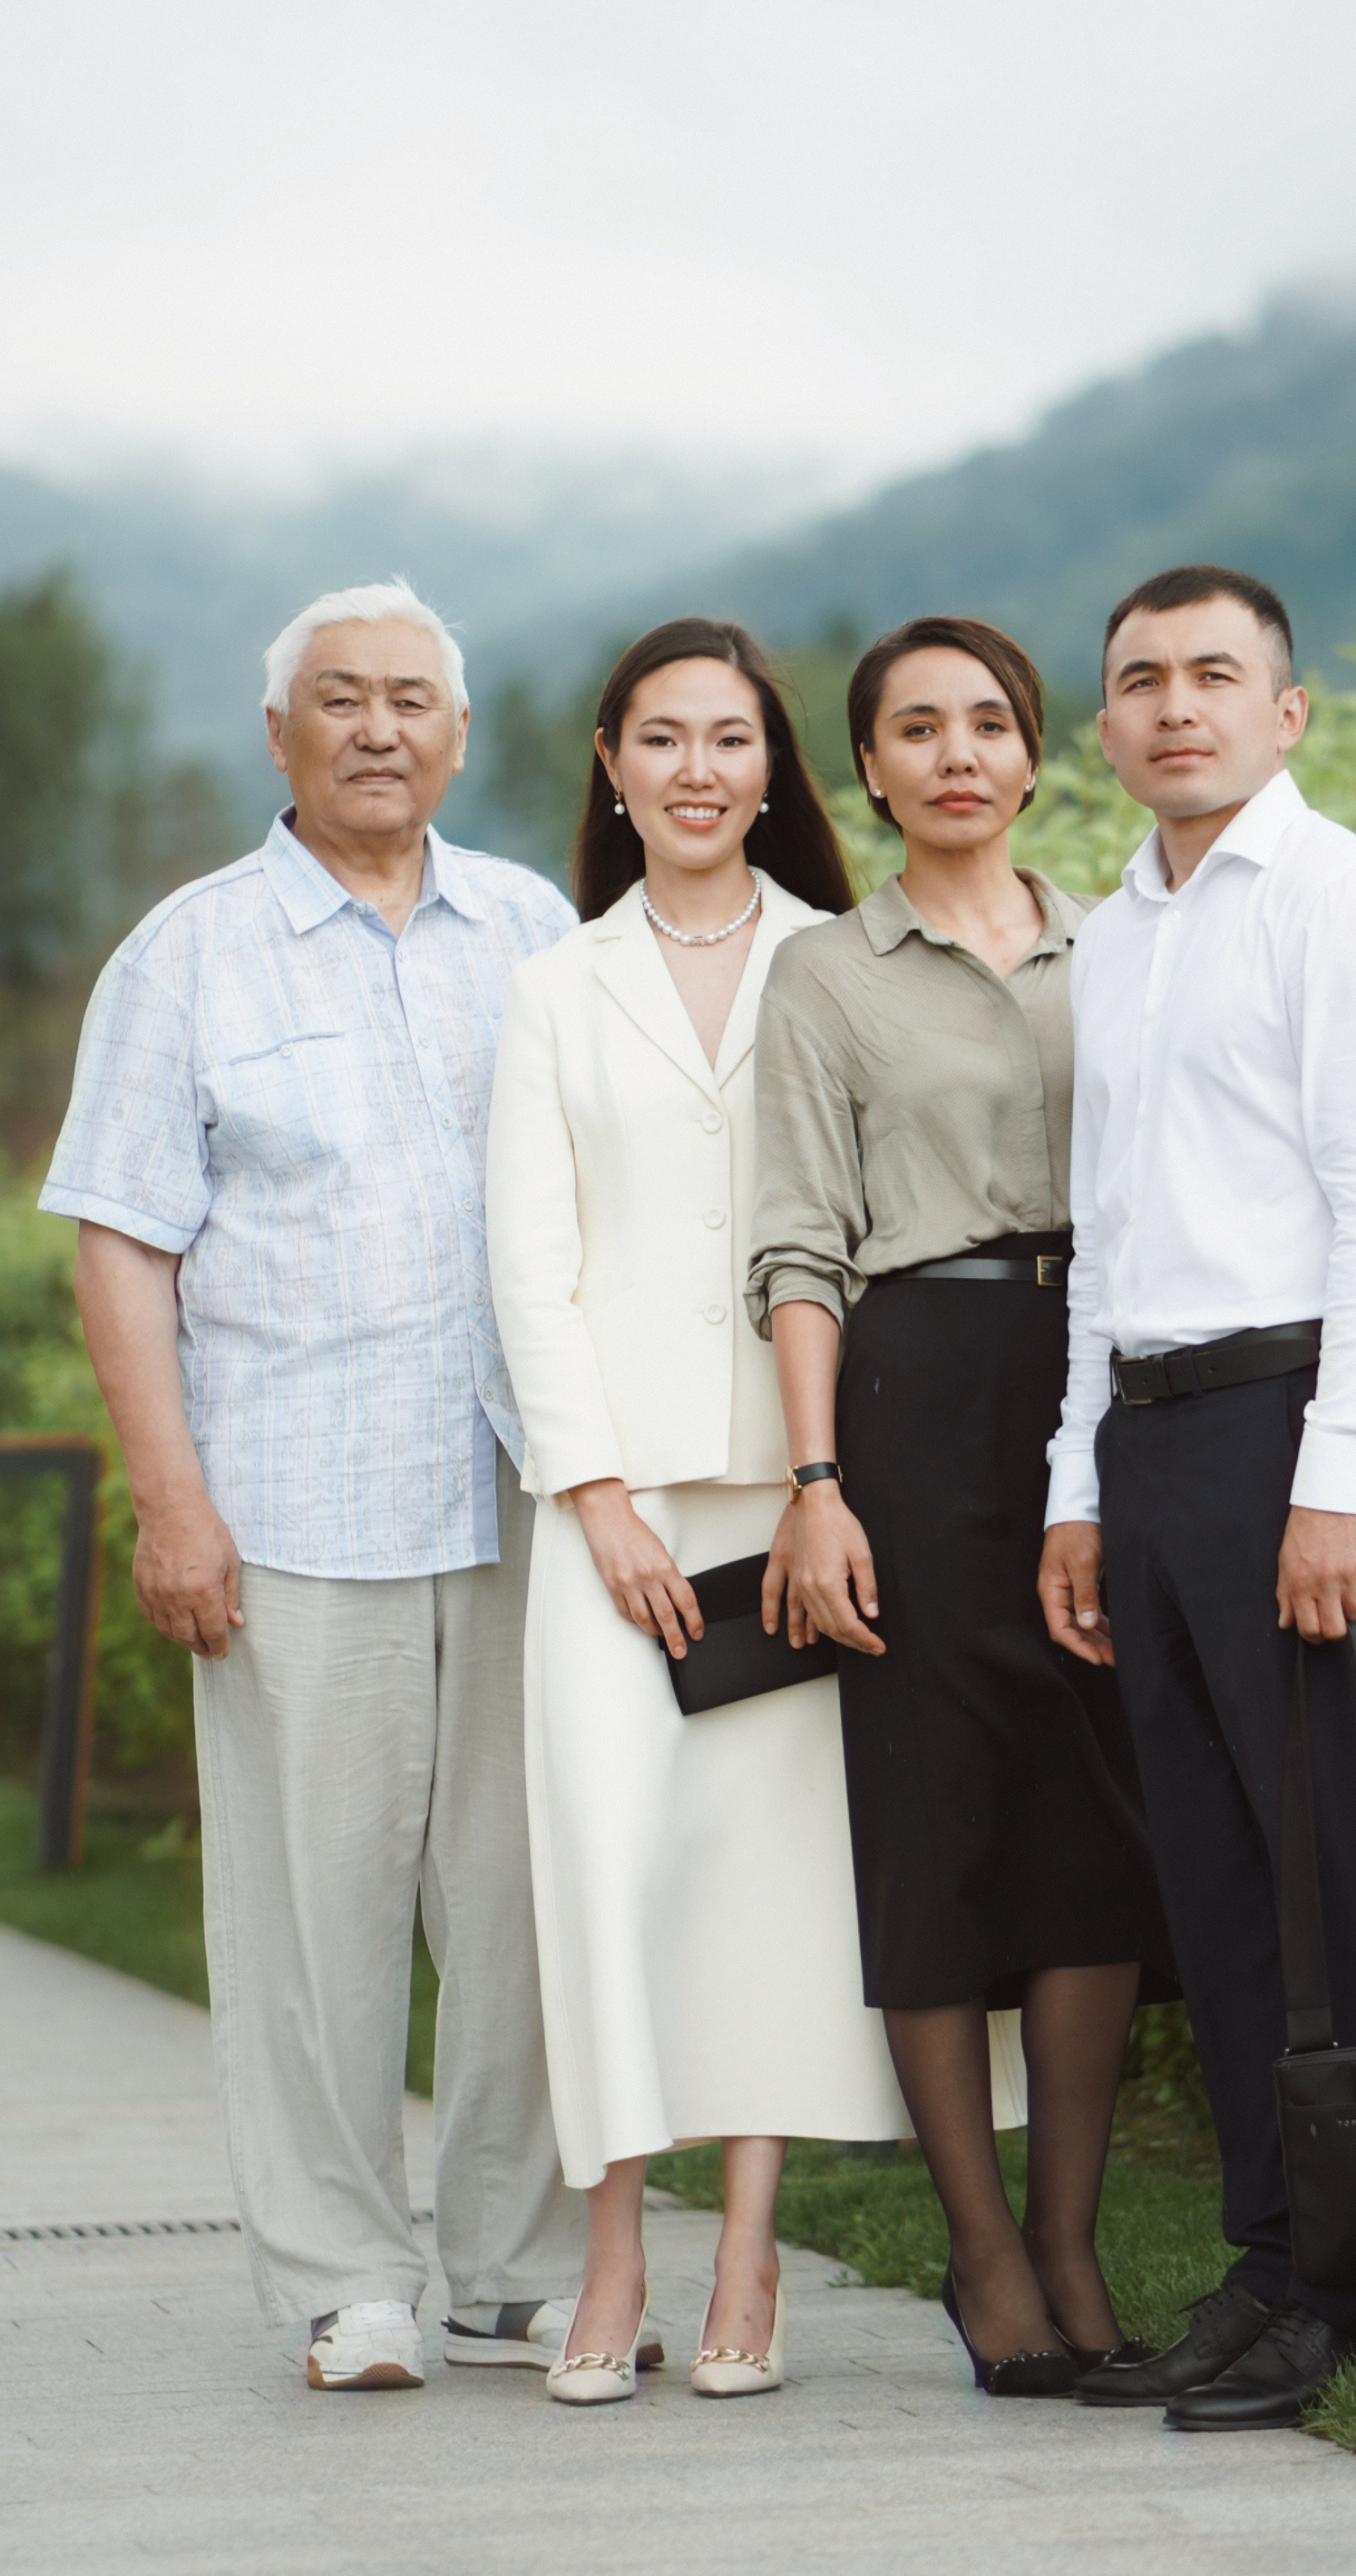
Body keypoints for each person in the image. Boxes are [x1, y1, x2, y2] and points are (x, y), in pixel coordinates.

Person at [39, 582, 581, 2394]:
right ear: (277, 737)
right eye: (336, 700)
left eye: (408, 699)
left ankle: (517, 2262)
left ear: (459, 731)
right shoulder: (187, 956)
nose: (374, 729)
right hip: (290, 1504)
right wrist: (168, 1502)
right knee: (310, 1916)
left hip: (525, 1495)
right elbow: (120, 1249)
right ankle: (349, 2277)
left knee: (519, 1903)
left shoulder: (535, 927)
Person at [1039, 563, 1356, 2429]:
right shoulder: (1115, 934)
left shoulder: (1346, 907)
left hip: (1300, 1430)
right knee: (1211, 1877)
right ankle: (1271, 2253)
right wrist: (1074, 1489)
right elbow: (1104, 1242)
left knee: (1328, 1870)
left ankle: (1354, 2283)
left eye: (1216, 675)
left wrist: (1339, 1481)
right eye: (1141, 681)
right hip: (1150, 1439)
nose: (1175, 705)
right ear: (1107, 725)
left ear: (1286, 711)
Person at [748, 615, 1177, 2401]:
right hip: (919, 1396)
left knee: (1098, 1822)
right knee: (934, 1809)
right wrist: (817, 1482)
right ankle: (981, 2250)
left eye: (987, 722)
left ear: (1033, 750)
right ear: (869, 770)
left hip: (1111, 1395)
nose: (955, 754)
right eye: (914, 729)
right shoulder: (827, 975)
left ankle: (1072, 2241)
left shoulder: (1136, 943)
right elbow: (794, 1242)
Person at [485, 619, 909, 2408]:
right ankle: (609, 2264)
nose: (696, 773)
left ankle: (749, 2254)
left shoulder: (844, 963)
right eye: (662, 740)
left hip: (806, 1501)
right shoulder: (555, 988)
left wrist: (836, 1488)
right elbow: (527, 1259)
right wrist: (597, 1498)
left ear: (773, 767)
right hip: (619, 1515)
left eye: (730, 741)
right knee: (606, 1873)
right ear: (609, 761)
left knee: (770, 1885)